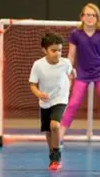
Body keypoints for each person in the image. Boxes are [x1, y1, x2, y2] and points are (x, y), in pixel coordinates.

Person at [58, 3, 100, 151]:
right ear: (82, 17)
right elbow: (71, 56)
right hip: (82, 73)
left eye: (93, 15)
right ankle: (59, 138)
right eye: (87, 15)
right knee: (73, 103)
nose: (90, 18)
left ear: (97, 18)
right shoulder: (75, 34)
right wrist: (69, 73)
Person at [29, 32, 73, 171]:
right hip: (45, 100)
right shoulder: (38, 65)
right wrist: (39, 94)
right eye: (53, 51)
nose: (57, 53)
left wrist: (74, 73)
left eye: (60, 50)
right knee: (48, 131)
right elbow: (32, 85)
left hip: (60, 97)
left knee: (55, 125)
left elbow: (71, 71)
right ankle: (52, 153)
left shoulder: (65, 62)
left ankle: (56, 156)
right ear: (44, 50)